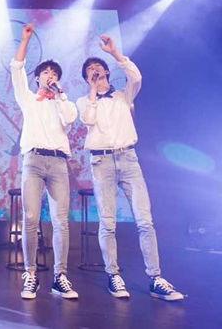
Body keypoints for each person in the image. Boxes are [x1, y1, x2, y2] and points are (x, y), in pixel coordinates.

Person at [76, 34, 184, 301]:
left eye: (98, 69)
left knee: (145, 220)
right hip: (101, 161)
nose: (95, 72)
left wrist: (115, 53)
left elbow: (136, 77)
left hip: (128, 159)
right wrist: (93, 91)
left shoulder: (124, 96)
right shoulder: (84, 101)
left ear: (107, 72)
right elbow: (88, 119)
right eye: (90, 72)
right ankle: (113, 275)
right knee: (108, 222)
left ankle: (156, 278)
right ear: (86, 79)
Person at [11, 23, 79, 300]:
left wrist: (60, 94)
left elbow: (71, 118)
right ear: (37, 77)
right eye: (46, 73)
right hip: (33, 160)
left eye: (54, 73)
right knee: (30, 218)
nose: (50, 76)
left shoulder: (64, 102)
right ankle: (30, 274)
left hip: (59, 163)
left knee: (60, 221)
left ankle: (60, 277)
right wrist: (25, 41)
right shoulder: (28, 99)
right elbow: (16, 69)